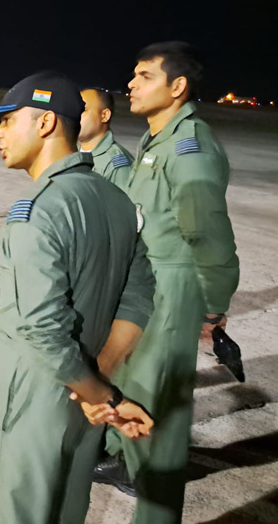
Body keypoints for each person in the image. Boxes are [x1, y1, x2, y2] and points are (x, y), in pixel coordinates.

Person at [0, 72, 155, 523]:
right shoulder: (116, 200)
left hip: (31, 402)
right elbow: (140, 294)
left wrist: (99, 395)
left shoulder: (38, 211)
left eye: (8, 121)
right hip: (84, 403)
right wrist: (100, 379)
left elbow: (42, 330)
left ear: (46, 123)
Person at [92, 42, 240, 524]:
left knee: (159, 422)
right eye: (133, 75)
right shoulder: (157, 141)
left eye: (144, 76)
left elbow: (208, 235)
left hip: (172, 293)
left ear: (177, 87)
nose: (131, 84)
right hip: (146, 286)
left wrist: (212, 307)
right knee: (134, 394)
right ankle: (125, 463)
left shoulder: (188, 147)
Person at [78, 87, 134, 188]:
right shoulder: (71, 153)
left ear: (104, 115)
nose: (75, 115)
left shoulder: (116, 166)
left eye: (83, 110)